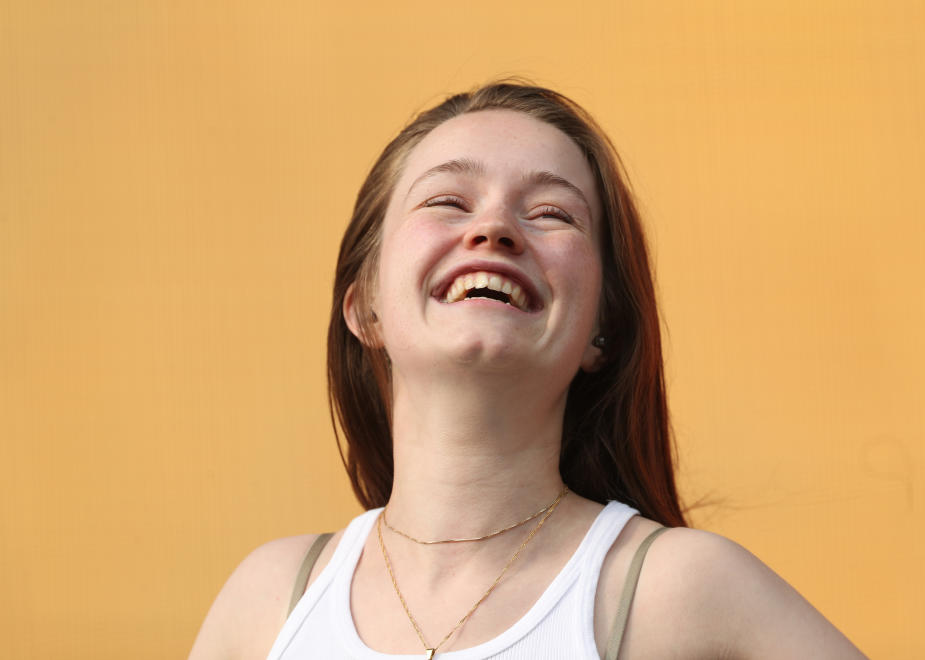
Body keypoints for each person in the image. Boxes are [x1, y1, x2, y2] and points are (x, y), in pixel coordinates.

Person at [188, 81, 867, 659]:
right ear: (365, 307)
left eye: (551, 214)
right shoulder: (268, 602)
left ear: (603, 330)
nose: (495, 229)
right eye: (447, 202)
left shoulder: (683, 589)